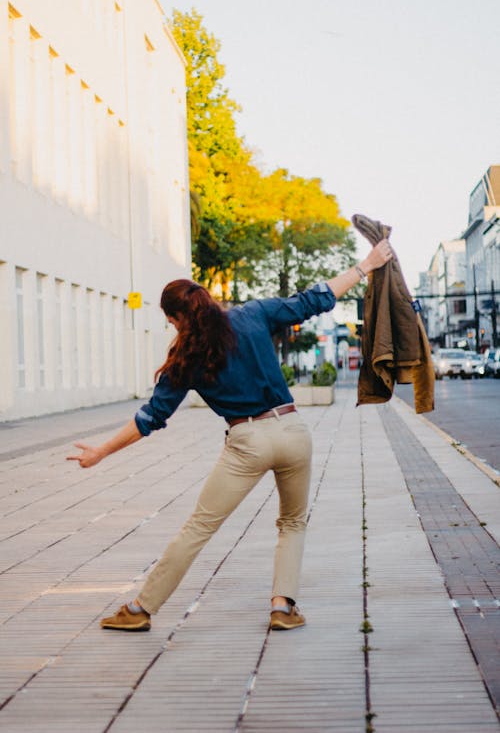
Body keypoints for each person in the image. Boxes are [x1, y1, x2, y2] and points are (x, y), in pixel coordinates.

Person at [67, 239, 393, 632]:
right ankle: (282, 608)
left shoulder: (184, 358)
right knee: (292, 523)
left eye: (170, 320)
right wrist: (365, 266)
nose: (171, 327)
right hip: (292, 430)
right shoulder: (254, 314)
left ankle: (139, 610)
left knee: (199, 527)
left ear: (176, 318)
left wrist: (100, 452)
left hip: (247, 442)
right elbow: (314, 300)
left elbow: (149, 418)